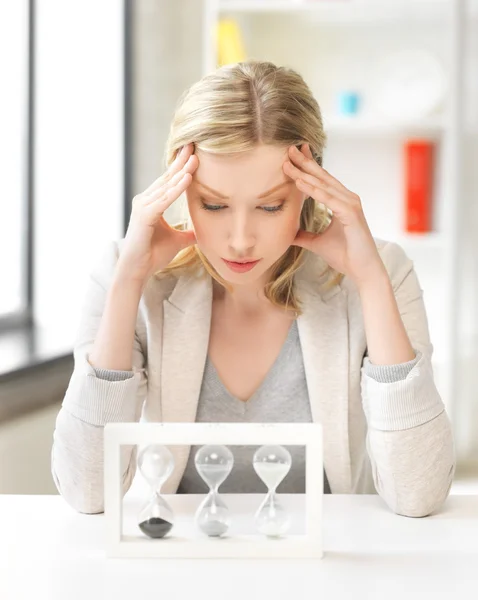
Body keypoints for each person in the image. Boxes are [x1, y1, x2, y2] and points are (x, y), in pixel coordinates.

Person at [51, 59, 455, 517]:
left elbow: (418, 494)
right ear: (176, 186)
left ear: (311, 187)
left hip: (331, 568)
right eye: (214, 204)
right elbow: (87, 491)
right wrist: (127, 283)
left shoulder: (380, 273)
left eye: (269, 206)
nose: (240, 239)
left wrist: (371, 281)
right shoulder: (125, 273)